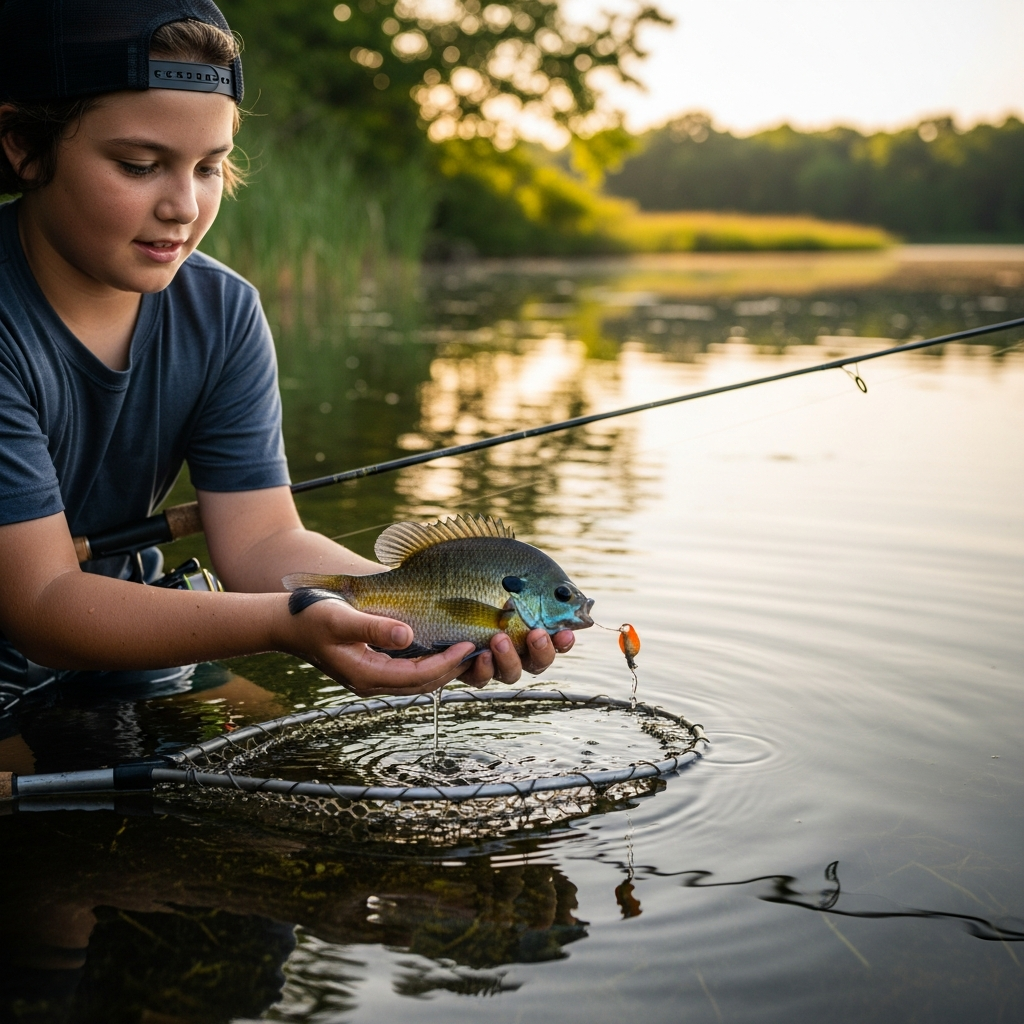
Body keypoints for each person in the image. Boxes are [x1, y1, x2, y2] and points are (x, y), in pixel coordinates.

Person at [0, 0, 574, 710]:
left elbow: (263, 539)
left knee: (293, 778)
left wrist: (411, 618)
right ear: (24, 145)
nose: (183, 205)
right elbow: (42, 604)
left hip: (137, 632)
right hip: (27, 647)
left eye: (211, 167)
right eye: (140, 165)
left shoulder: (222, 311)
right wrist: (287, 624)